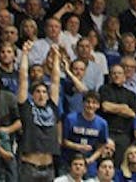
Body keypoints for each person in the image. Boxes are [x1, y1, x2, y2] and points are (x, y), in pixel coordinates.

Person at [18, 40, 62, 182]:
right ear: (33, 94)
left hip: (49, 167)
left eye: (44, 91)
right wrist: (25, 54)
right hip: (29, 167)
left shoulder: (52, 107)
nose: (42, 94)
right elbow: (23, 78)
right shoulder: (27, 107)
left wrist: (56, 57)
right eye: (38, 91)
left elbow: (55, 80)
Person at [62, 92, 113, 178]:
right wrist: (78, 147)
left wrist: (91, 159)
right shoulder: (71, 118)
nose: (90, 105)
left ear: (98, 105)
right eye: (88, 102)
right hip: (69, 160)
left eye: (94, 103)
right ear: (83, 103)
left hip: (89, 162)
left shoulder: (102, 123)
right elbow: (64, 141)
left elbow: (102, 145)